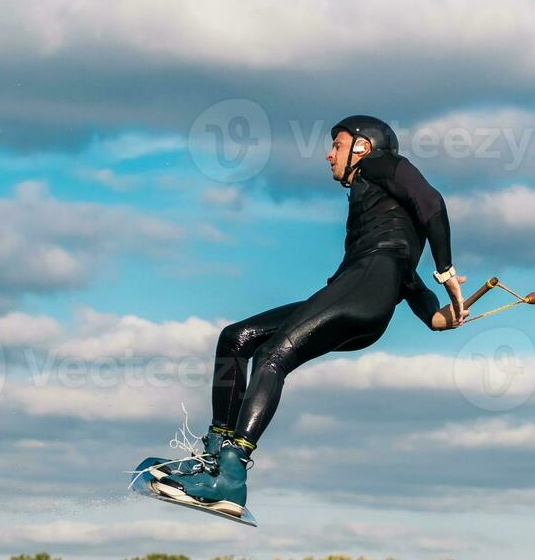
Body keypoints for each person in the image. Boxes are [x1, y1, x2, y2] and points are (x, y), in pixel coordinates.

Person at [150, 115, 466, 519]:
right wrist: (437, 318)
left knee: (272, 356)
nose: (328, 154)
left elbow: (432, 202)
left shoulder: (380, 163)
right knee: (237, 338)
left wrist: (447, 272)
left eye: (337, 144)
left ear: (362, 148)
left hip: (362, 291)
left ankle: (231, 474)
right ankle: (215, 455)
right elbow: (409, 280)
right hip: (362, 295)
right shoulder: (381, 209)